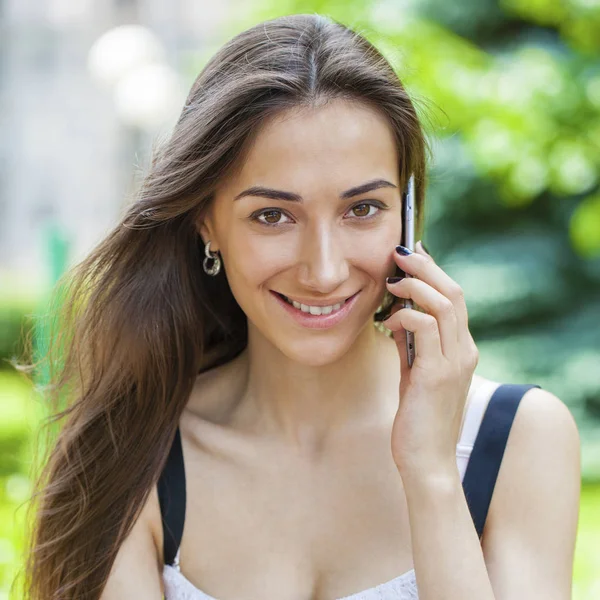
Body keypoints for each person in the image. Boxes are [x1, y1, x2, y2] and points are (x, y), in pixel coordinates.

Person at [19, 13, 580, 600]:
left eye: (362, 209)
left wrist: (432, 474)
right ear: (207, 222)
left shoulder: (517, 439)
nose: (325, 269)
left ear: (409, 214)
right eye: (272, 215)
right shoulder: (135, 452)